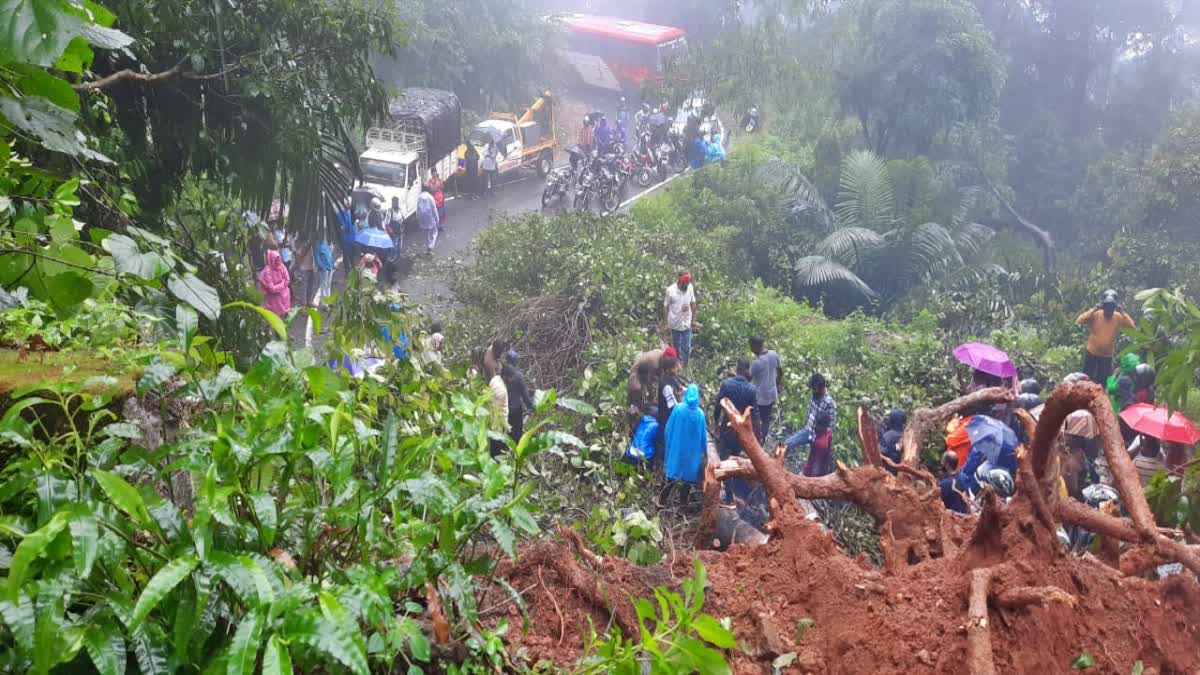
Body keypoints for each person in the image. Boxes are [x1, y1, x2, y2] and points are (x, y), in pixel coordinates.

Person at [712, 358, 759, 503]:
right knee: (736, 459)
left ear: (737, 369)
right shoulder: (752, 389)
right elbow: (754, 414)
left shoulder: (726, 384)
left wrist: (715, 421)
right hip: (741, 434)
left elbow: (718, 406)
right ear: (746, 371)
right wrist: (756, 435)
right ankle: (735, 493)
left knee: (725, 460)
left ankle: (729, 495)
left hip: (726, 429)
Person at [660, 384, 707, 508]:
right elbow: (703, 436)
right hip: (692, 454)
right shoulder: (700, 415)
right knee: (688, 479)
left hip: (677, 449)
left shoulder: (678, 409)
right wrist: (705, 452)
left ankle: (661, 501)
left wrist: (668, 444)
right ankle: (682, 504)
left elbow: (668, 429)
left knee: (672, 475)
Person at [1078, 290, 1135, 383]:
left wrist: (1122, 312)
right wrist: (1094, 309)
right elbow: (1080, 320)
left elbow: (1132, 326)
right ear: (1103, 306)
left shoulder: (1118, 317)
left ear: (1115, 307)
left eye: (1111, 307)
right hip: (1092, 352)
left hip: (1106, 356)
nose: (1109, 310)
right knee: (1086, 378)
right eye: (1107, 307)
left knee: (1102, 381)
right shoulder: (1096, 314)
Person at [749, 337, 782, 443]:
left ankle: (757, 441)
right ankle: (763, 439)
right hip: (772, 394)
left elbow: (747, 378)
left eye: (751, 346)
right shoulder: (773, 354)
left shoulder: (757, 363)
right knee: (766, 419)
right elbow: (780, 371)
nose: (751, 349)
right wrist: (777, 384)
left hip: (760, 397)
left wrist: (734, 375)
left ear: (755, 346)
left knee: (756, 419)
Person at [782, 411, 834, 477]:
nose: (815, 426)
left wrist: (809, 479)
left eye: (817, 425)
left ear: (823, 427)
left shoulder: (820, 444)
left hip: (810, 473)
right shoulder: (828, 432)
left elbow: (816, 467)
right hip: (821, 472)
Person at [662, 272, 697, 366]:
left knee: (687, 348)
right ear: (679, 280)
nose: (685, 285)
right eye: (684, 283)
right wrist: (665, 324)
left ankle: (684, 365)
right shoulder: (670, 290)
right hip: (675, 323)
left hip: (686, 322)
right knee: (676, 347)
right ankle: (677, 366)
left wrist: (693, 320)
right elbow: (665, 307)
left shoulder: (690, 288)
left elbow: (693, 304)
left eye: (687, 283)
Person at [628, 346, 665, 433]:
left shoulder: (658, 355)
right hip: (640, 408)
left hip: (644, 402)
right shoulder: (637, 386)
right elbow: (642, 406)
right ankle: (633, 428)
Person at [656, 356, 684, 456]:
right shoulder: (666, 384)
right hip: (665, 417)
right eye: (675, 367)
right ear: (669, 369)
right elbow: (672, 405)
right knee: (664, 441)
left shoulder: (672, 379)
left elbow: (680, 388)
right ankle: (661, 461)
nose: (678, 369)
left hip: (668, 416)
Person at [502, 362, 534, 443]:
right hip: (516, 410)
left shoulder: (501, 377)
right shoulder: (519, 376)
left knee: (507, 433)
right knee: (517, 433)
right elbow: (525, 395)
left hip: (505, 410)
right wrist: (531, 407)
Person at [258, 250, 291, 317]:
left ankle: (284, 314)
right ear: (271, 260)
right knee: (277, 312)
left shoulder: (281, 266)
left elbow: (288, 279)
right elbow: (272, 289)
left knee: (286, 293)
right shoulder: (268, 271)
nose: (278, 262)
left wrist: (280, 285)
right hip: (274, 296)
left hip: (283, 292)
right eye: (276, 260)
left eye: (279, 259)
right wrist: (283, 284)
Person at [488, 365, 509, 457]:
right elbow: (497, 410)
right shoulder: (502, 392)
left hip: (490, 416)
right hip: (499, 421)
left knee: (493, 443)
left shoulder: (495, 379)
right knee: (498, 446)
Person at [417, 183, 439, 255]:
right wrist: (437, 219)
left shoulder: (419, 197)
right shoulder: (430, 197)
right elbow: (434, 209)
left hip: (422, 219)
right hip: (430, 218)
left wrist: (418, 218)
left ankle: (428, 248)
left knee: (427, 235)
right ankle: (430, 247)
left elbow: (417, 208)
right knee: (435, 232)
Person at [294, 240, 316, 308]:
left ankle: (309, 301)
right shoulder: (302, 242)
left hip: (311, 266)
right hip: (304, 268)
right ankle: (303, 305)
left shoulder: (312, 240)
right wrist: (308, 246)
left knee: (311, 286)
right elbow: (299, 255)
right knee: (304, 287)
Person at [315, 239, 335, 307]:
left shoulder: (327, 242)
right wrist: (322, 266)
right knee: (324, 286)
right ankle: (324, 304)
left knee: (328, 285)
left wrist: (332, 264)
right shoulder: (317, 244)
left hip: (330, 268)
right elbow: (317, 257)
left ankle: (328, 301)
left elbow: (330, 254)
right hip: (324, 269)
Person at [429, 167, 447, 232]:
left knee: (442, 214)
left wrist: (439, 181)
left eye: (435, 173)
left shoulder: (439, 180)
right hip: (435, 200)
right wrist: (437, 182)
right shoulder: (431, 181)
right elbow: (433, 190)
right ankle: (435, 227)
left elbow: (442, 187)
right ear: (431, 174)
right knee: (436, 214)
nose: (434, 175)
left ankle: (440, 226)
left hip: (441, 199)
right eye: (433, 174)